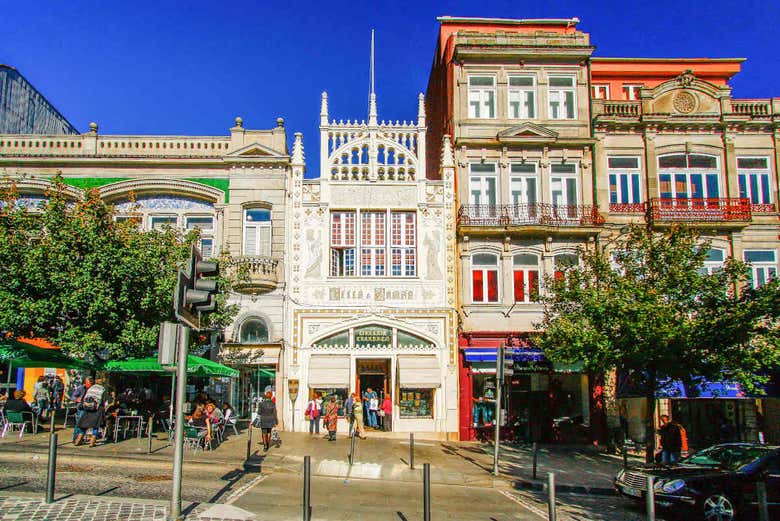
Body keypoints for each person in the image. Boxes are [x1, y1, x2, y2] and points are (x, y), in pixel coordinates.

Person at [74, 377, 106, 447]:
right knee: (96, 426)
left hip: (87, 408)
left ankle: (78, 440)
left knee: (84, 425)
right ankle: (92, 442)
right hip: (97, 409)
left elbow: (85, 398)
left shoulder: (90, 388)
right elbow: (103, 400)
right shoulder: (103, 389)